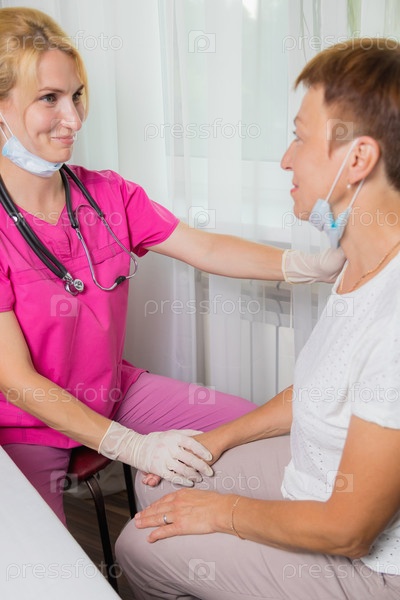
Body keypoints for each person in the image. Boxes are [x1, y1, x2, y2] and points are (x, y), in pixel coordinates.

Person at [0, 7, 342, 527]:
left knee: (248, 431)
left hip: (111, 391)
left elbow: (206, 249)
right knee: (45, 562)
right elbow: (16, 380)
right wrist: (131, 446)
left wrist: (308, 265)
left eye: (76, 95)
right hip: (25, 425)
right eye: (49, 98)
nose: (73, 119)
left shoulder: (106, 194)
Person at [116, 37, 400, 600]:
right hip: (317, 479)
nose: (286, 159)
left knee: (137, 546)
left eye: (300, 137)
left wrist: (224, 513)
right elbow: (320, 390)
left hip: (375, 564)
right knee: (167, 483)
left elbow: (349, 530)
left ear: (358, 160)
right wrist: (215, 439)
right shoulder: (359, 261)